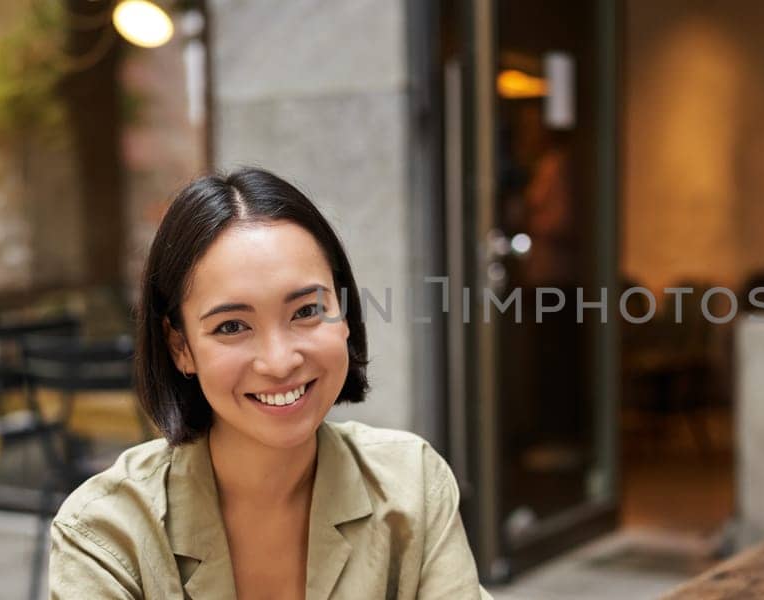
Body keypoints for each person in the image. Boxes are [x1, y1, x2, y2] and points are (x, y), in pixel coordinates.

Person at [47, 168, 489, 599]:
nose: (279, 362)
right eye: (232, 326)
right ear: (180, 346)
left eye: (306, 312)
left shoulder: (412, 485)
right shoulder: (106, 533)